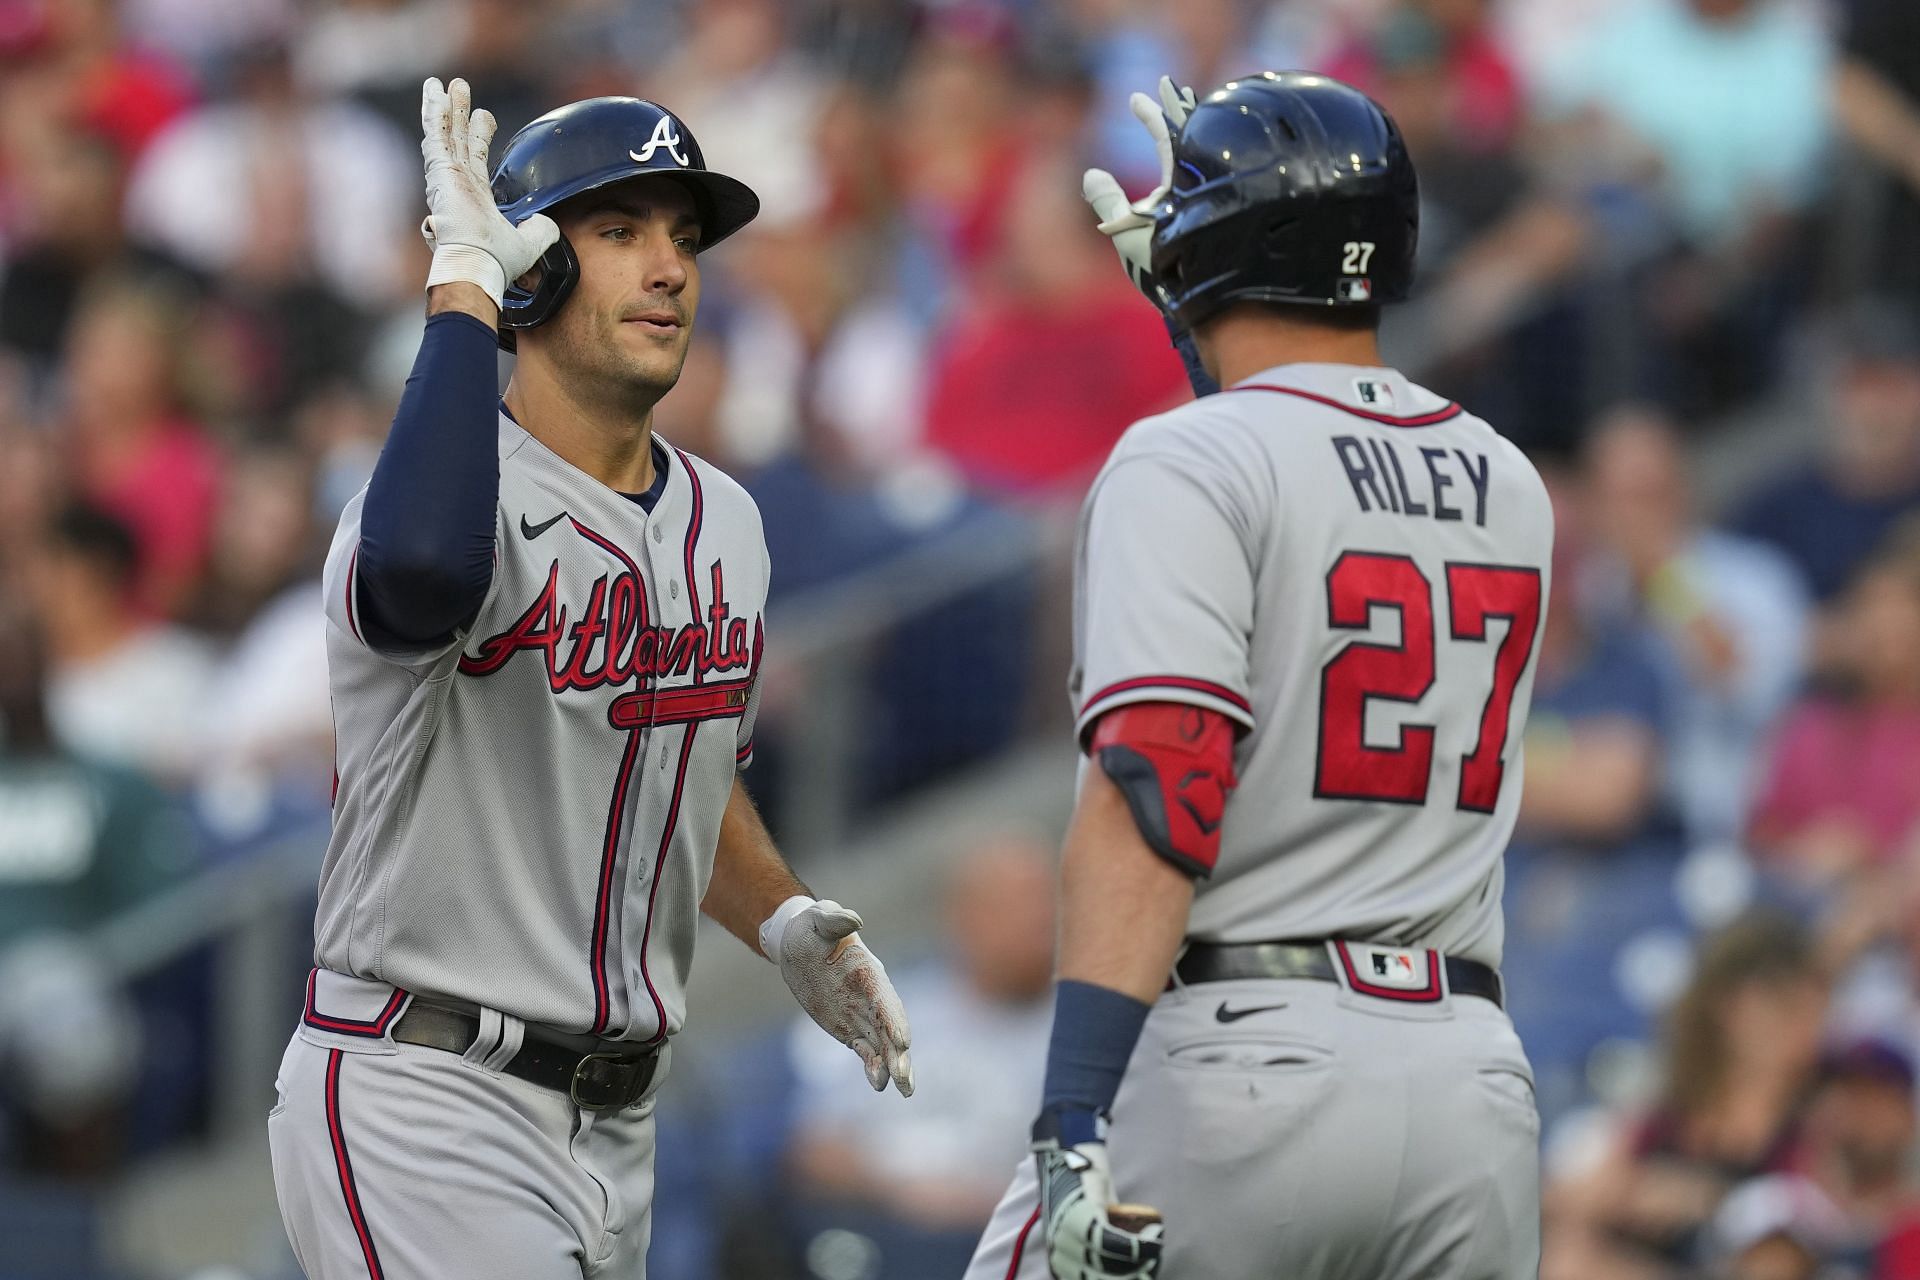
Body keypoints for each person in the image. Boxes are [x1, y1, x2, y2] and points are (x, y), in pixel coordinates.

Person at [265, 79, 914, 1280]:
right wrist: (463, 283)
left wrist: (776, 911)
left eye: (682, 236)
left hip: (616, 1123)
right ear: (536, 273)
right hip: (428, 1089)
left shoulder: (729, 521)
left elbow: (677, 759)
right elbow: (417, 570)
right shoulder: (437, 503)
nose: (668, 266)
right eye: (618, 231)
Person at [965, 72, 1555, 1280]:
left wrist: (1075, 1112)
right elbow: (1318, 486)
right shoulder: (1510, 478)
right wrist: (1205, 331)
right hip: (1469, 1087)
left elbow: (1159, 781)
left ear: (1208, 244)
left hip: (1245, 1059)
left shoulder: (1187, 458)